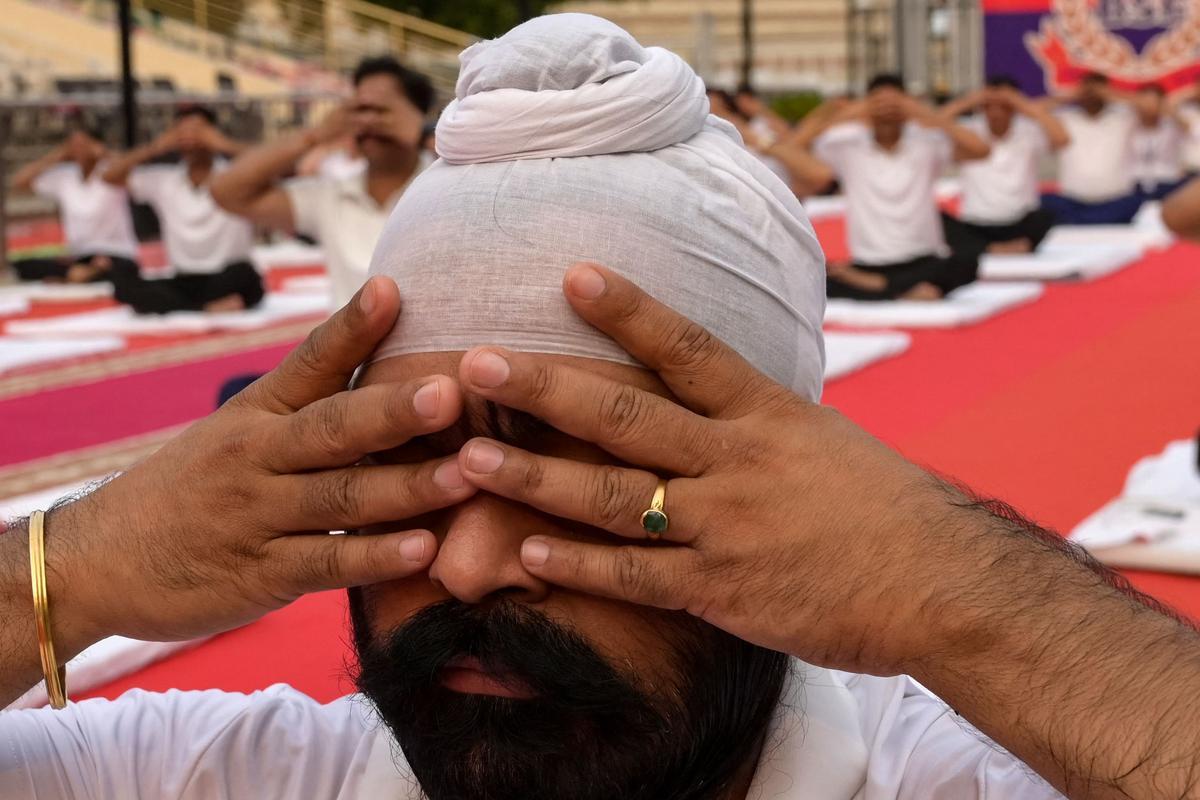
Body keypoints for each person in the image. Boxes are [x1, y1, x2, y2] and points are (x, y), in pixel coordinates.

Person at [2, 17, 1199, 800]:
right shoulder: (233, 774)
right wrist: (73, 564)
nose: (467, 565)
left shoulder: (943, 779)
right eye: (409, 465)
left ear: (804, 496)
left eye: (598, 480)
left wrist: (957, 593)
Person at [211, 56, 432, 309]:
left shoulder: (443, 188)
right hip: (349, 346)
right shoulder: (331, 195)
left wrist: (421, 133)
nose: (369, 122)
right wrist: (315, 136)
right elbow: (226, 192)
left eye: (381, 109)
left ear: (417, 113)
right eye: (360, 109)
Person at [798, 74, 992, 300]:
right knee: (814, 281)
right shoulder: (846, 144)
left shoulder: (926, 141)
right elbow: (795, 147)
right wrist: (853, 112)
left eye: (894, 102)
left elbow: (981, 151)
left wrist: (923, 113)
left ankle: (882, 287)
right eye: (878, 102)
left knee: (969, 261)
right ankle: (898, 288)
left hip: (923, 260)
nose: (887, 109)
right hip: (867, 262)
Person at [101, 106, 263, 314]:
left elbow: (277, 165)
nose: (190, 136)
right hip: (185, 278)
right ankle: (203, 308)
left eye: (198, 130)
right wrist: (156, 147)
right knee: (125, 287)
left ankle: (187, 306)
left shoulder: (236, 175)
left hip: (228, 275)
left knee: (246, 278)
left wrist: (223, 144)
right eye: (182, 131)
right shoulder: (165, 179)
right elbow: (109, 177)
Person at [938, 76, 1069, 255]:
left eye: (1004, 105)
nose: (996, 112)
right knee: (937, 220)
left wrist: (1020, 102)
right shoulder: (968, 131)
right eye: (989, 105)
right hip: (975, 222)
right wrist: (968, 102)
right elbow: (929, 126)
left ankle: (1000, 247)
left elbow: (1062, 139)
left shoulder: (1029, 129)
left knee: (1051, 210)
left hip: (1020, 222)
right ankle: (991, 248)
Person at [8, 120, 139, 284]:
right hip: (80, 255)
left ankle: (86, 273)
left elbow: (135, 169)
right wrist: (56, 156)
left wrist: (105, 153)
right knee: (21, 266)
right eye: (73, 145)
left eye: (84, 144)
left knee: (120, 270)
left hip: (115, 253)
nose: (78, 150)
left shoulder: (111, 173)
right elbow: (19, 182)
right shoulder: (65, 176)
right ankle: (81, 273)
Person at [1041, 73, 1143, 225]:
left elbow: (1151, 106)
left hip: (1118, 203)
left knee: (1141, 202)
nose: (1092, 94)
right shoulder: (1065, 118)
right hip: (1072, 204)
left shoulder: (1124, 117)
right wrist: (1070, 96)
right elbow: (1029, 112)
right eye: (1087, 90)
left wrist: (1111, 94)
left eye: (1098, 89)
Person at [1131, 83, 1189, 201]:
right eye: (1145, 102)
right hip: (1135, 185)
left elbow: (1192, 131)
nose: (1148, 106)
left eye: (1153, 102)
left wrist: (1170, 109)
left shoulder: (1172, 126)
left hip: (1167, 184)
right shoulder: (1128, 125)